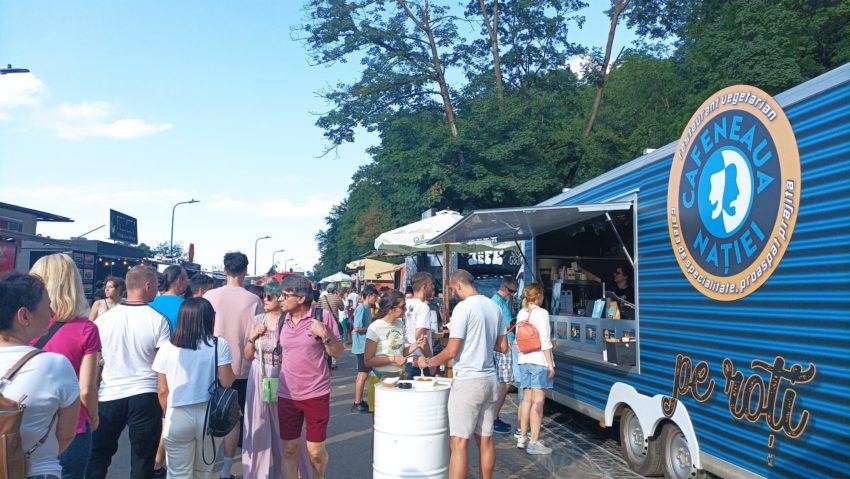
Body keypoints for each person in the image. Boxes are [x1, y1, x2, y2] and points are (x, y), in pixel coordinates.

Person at [416, 269, 507, 479]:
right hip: (490, 380)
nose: (452, 294)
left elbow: (451, 350)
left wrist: (429, 361)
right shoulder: (494, 307)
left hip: (468, 381)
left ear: (458, 285)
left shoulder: (463, 308)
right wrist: (481, 340)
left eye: (451, 289)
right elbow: (503, 347)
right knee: (486, 440)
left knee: (458, 442)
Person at [88, 265, 171, 479]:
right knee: (143, 459)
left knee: (98, 456)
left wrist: (93, 392)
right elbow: (163, 365)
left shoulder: (104, 320)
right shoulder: (158, 320)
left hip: (109, 394)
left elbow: (96, 359)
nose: (157, 291)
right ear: (147, 285)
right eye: (155, 286)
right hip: (145, 394)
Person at [0, 272, 81, 479]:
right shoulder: (55, 365)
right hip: (36, 470)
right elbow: (66, 435)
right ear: (24, 316)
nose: (52, 312)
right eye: (47, 306)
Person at [29, 254, 102, 479]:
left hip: (23, 425)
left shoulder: (20, 323)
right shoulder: (86, 329)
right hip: (70, 428)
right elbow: (86, 390)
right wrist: (95, 416)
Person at [153, 298, 235, 479]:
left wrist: (169, 414)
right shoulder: (218, 345)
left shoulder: (166, 348)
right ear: (208, 319)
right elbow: (227, 381)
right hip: (209, 416)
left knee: (177, 473)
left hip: (177, 414)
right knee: (203, 472)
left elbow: (162, 391)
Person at [241, 279, 312, 479]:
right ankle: (255, 474)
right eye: (264, 295)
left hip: (284, 376)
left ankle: (292, 473)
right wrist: (253, 337)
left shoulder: (289, 321)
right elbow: (247, 355)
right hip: (259, 374)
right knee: (257, 425)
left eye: (270, 296)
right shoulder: (257, 320)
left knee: (287, 429)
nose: (265, 299)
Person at [203, 252, 263, 479]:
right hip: (241, 366)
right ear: (245, 271)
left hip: (210, 364)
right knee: (233, 418)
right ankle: (227, 471)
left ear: (224, 270)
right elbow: (257, 334)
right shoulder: (253, 300)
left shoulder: (209, 295)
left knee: (207, 415)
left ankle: (205, 467)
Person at [277, 275, 343, 479]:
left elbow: (338, 353)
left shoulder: (321, 317)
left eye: (285, 295)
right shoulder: (283, 320)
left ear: (301, 298)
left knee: (315, 451)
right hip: (287, 394)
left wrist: (325, 335)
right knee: (289, 449)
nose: (280, 299)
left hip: (316, 393)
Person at [515, 283, 555, 455]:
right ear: (538, 296)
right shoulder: (542, 313)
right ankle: (534, 442)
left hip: (523, 360)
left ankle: (522, 437)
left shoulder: (521, 313)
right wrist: (550, 364)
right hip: (539, 361)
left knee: (526, 400)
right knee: (538, 402)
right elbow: (545, 341)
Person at [364, 290, 424, 377]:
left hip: (400, 377)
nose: (406, 309)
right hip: (381, 379)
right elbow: (368, 361)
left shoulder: (400, 324)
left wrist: (416, 344)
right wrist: (393, 359)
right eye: (403, 306)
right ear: (391, 308)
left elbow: (400, 352)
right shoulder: (375, 327)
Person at [490, 277, 518, 435]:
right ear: (503, 287)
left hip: (502, 345)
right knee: (505, 383)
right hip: (504, 346)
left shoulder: (499, 301)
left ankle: (494, 416)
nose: (512, 295)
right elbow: (507, 325)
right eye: (510, 291)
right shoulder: (497, 302)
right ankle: (493, 418)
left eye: (515, 291)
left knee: (502, 382)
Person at [350, 285, 377, 413]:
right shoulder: (361, 308)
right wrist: (371, 328)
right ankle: (357, 402)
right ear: (368, 296)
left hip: (364, 345)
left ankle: (359, 400)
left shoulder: (367, 309)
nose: (376, 299)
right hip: (361, 346)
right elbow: (357, 328)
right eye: (374, 296)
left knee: (363, 374)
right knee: (363, 374)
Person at [403, 272, 434, 378]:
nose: (433, 287)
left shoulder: (405, 304)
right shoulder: (423, 307)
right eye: (431, 285)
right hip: (419, 362)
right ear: (424, 287)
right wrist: (431, 359)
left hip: (406, 358)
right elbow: (420, 337)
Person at [150, 265, 189, 331]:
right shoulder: (187, 306)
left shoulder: (150, 303)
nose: (188, 282)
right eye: (186, 278)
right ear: (179, 281)